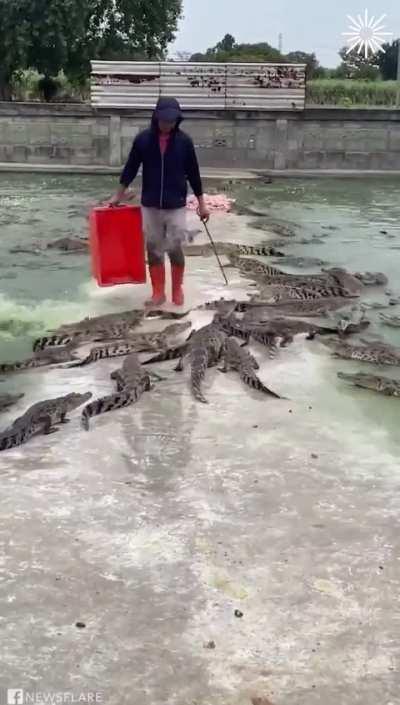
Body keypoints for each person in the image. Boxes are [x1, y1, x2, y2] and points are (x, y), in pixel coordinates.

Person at [110, 96, 209, 306]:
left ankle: (177, 290)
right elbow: (130, 169)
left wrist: (202, 204)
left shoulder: (184, 142)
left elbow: (194, 173)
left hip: (176, 205)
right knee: (154, 248)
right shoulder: (143, 140)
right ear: (156, 117)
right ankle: (158, 293)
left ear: (177, 120)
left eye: (172, 121)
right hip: (151, 205)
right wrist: (118, 195)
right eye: (164, 120)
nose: (167, 124)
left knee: (174, 247)